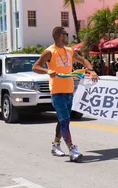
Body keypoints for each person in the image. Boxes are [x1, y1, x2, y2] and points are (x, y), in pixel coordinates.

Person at [33, 26, 99, 162]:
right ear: (60, 36)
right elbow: (35, 67)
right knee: (64, 120)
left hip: (69, 91)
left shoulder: (69, 51)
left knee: (63, 120)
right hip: (57, 92)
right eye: (66, 34)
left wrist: (91, 70)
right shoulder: (49, 52)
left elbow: (83, 60)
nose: (68, 37)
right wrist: (47, 71)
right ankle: (72, 149)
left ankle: (55, 145)